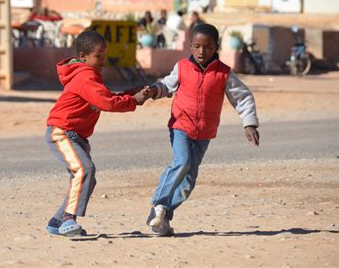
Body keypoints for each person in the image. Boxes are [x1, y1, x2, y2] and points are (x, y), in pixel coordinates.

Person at [144, 23, 260, 236]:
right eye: (196, 46)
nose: (201, 51)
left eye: (207, 47)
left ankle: (164, 217)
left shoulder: (223, 73)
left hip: (204, 132)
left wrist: (249, 122)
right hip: (181, 125)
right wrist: (154, 90)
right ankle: (158, 206)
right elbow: (167, 85)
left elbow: (242, 96)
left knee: (188, 182)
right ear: (190, 46)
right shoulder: (182, 67)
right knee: (182, 162)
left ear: (215, 47)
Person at [45, 30, 149, 237]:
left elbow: (106, 96)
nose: (103, 60)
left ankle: (57, 221)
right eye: (98, 56)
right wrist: (133, 101)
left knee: (85, 177)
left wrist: (131, 93)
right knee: (85, 170)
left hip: (76, 136)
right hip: (62, 132)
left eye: (104, 56)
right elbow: (106, 103)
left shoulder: (91, 76)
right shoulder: (85, 75)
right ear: (83, 57)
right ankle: (67, 220)